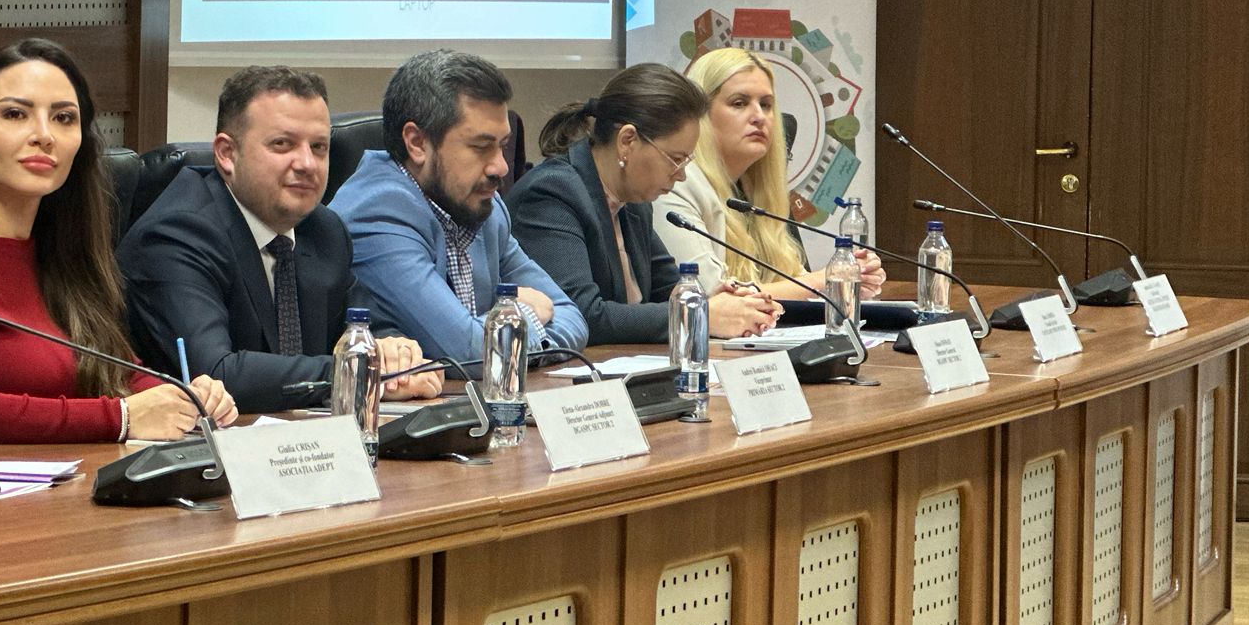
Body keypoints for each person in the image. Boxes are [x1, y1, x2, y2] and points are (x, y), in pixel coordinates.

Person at [0, 40, 236, 445]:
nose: (44, 135)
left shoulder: (63, 250)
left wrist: (187, 398)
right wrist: (119, 417)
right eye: (15, 114)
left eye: (64, 118)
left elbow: (120, 374)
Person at [119, 67, 444, 414]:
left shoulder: (323, 230)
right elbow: (216, 375)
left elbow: (367, 326)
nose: (307, 163)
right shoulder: (176, 234)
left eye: (318, 147)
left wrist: (396, 352)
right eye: (282, 144)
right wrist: (358, 371)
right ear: (227, 153)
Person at [331, 50, 588, 367]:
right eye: (481, 147)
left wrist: (499, 337)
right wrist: (526, 315)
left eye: (502, 146)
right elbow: (469, 353)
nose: (500, 167)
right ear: (417, 143)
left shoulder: (483, 205)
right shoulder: (377, 213)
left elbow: (573, 317)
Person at [511, 65, 781, 344]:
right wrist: (700, 314)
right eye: (676, 159)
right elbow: (582, 315)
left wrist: (715, 301)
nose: (681, 175)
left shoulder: (635, 200)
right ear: (627, 141)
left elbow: (668, 289)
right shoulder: (551, 194)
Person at [653, 49, 886, 302]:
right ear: (701, 115)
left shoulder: (759, 192)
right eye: (739, 103)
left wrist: (850, 279)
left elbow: (796, 282)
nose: (759, 117)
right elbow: (707, 294)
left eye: (766, 105)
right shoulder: (677, 183)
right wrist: (826, 280)